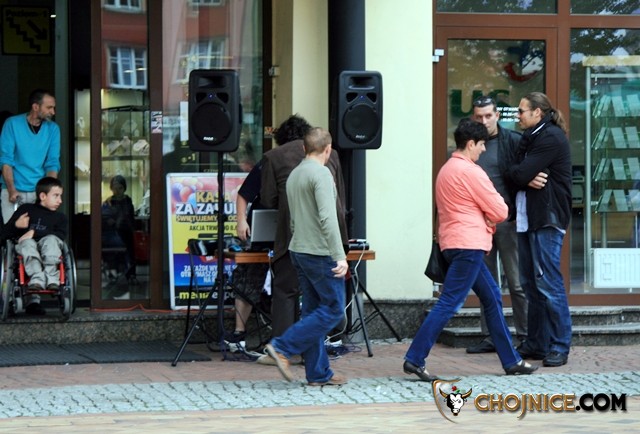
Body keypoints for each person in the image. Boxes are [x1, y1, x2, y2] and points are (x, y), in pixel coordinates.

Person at [403, 118, 538, 381]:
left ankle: (511, 361)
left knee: (492, 297)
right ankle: (415, 358)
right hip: (469, 245)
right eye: (482, 145)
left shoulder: (446, 169)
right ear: (471, 143)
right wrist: (486, 216)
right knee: (450, 302)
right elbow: (501, 210)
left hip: (454, 244)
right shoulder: (471, 172)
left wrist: (482, 214)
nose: (484, 149)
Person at [265, 127, 349, 386]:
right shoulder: (321, 173)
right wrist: (339, 255)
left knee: (312, 311)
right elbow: (328, 217)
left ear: (304, 148)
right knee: (334, 310)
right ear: (328, 149)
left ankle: (318, 373)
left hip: (298, 249)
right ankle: (281, 347)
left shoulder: (295, 174)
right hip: (320, 251)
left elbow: (291, 219)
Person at [506, 92, 573, 368]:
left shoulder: (550, 137)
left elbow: (518, 173)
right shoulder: (530, 137)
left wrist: (521, 175)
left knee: (548, 283)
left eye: (522, 111)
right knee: (530, 283)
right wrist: (521, 176)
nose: (517, 115)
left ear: (537, 112)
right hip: (527, 217)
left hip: (547, 218)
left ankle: (559, 345)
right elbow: (513, 172)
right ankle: (536, 343)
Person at [466, 95, 528, 354]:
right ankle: (491, 336)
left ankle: (525, 336)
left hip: (507, 220)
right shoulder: (470, 144)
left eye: (488, 116)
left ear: (497, 115)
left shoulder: (512, 140)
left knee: (516, 282)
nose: (484, 121)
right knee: (486, 284)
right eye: (479, 116)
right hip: (480, 224)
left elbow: (524, 173)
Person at [1, 177, 67, 315]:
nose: (60, 200)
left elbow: (61, 235)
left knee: (51, 240)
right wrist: (16, 225)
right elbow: (4, 234)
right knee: (27, 243)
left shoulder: (60, 217)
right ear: (43, 196)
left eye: (60, 196)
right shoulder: (26, 209)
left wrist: (34, 232)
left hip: (50, 247)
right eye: (56, 196)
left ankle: (52, 280)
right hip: (27, 250)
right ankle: (37, 279)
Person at [226, 160, 270, 352]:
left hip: (291, 234)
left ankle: (283, 335)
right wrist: (241, 221)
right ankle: (239, 333)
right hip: (259, 231)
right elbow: (244, 194)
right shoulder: (268, 163)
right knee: (247, 277)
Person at [0, 89, 61, 224]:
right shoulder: (12, 124)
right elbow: (6, 160)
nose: (53, 112)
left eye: (54, 108)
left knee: (40, 231)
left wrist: (49, 192)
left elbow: (52, 163)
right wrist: (11, 189)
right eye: (49, 107)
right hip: (13, 190)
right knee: (12, 232)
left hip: (39, 192)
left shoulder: (53, 129)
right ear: (35, 107)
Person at [102, 175, 137, 284]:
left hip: (127, 231)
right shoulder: (108, 202)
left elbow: (130, 216)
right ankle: (115, 275)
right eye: (115, 188)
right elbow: (104, 217)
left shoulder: (128, 200)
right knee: (115, 255)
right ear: (111, 189)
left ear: (124, 188)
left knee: (130, 254)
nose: (117, 191)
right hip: (113, 233)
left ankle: (131, 275)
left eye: (120, 188)